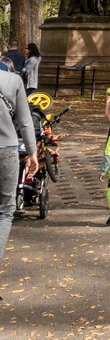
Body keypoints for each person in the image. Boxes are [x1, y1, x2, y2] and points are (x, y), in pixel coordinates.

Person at [0, 62, 37, 262]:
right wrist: (32, 152)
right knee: (5, 209)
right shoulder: (13, 80)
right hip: (6, 148)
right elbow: (24, 120)